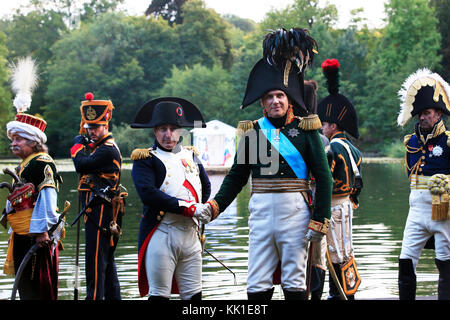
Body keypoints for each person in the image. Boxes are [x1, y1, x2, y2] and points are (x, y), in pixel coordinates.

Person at [200, 28, 333, 300]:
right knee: (257, 280)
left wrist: (319, 220)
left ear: (289, 100)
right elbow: (236, 178)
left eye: (280, 96)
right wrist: (214, 207)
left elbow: (324, 177)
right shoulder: (252, 133)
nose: (275, 101)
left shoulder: (306, 131)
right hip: (260, 212)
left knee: (295, 281)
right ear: (262, 102)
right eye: (270, 97)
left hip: (295, 214)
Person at [130, 97, 212, 300]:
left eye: (173, 129)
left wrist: (203, 208)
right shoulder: (145, 159)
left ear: (181, 130)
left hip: (191, 235)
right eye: (162, 129)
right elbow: (148, 194)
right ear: (154, 131)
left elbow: (205, 187)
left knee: (194, 296)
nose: (168, 135)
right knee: (159, 294)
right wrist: (189, 208)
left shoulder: (191, 155)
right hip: (162, 233)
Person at [2, 56, 63, 299]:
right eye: (12, 139)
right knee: (26, 289)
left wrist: (41, 232)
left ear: (33, 142)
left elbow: (48, 199)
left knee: (37, 291)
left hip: (36, 237)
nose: (14, 143)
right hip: (23, 236)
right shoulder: (25, 164)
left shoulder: (41, 163)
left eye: (19, 139)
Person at [397, 68, 450, 300]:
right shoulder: (412, 142)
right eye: (420, 113)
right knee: (405, 261)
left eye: (427, 113)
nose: (422, 117)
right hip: (416, 211)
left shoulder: (447, 141)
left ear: (438, 114)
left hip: (444, 210)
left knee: (445, 264)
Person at [70, 92, 126, 300]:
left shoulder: (107, 150)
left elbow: (81, 165)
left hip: (100, 213)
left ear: (105, 126)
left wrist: (76, 147)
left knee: (95, 265)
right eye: (89, 128)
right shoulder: (99, 148)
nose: (91, 132)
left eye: (95, 128)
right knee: (106, 265)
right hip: (97, 213)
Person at [317, 58, 363, 300]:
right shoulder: (352, 148)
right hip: (347, 206)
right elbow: (358, 183)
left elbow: (323, 178)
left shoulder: (332, 148)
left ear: (333, 125)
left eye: (324, 124)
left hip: (333, 206)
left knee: (333, 254)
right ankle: (348, 293)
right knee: (345, 252)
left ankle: (338, 296)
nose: (321, 128)